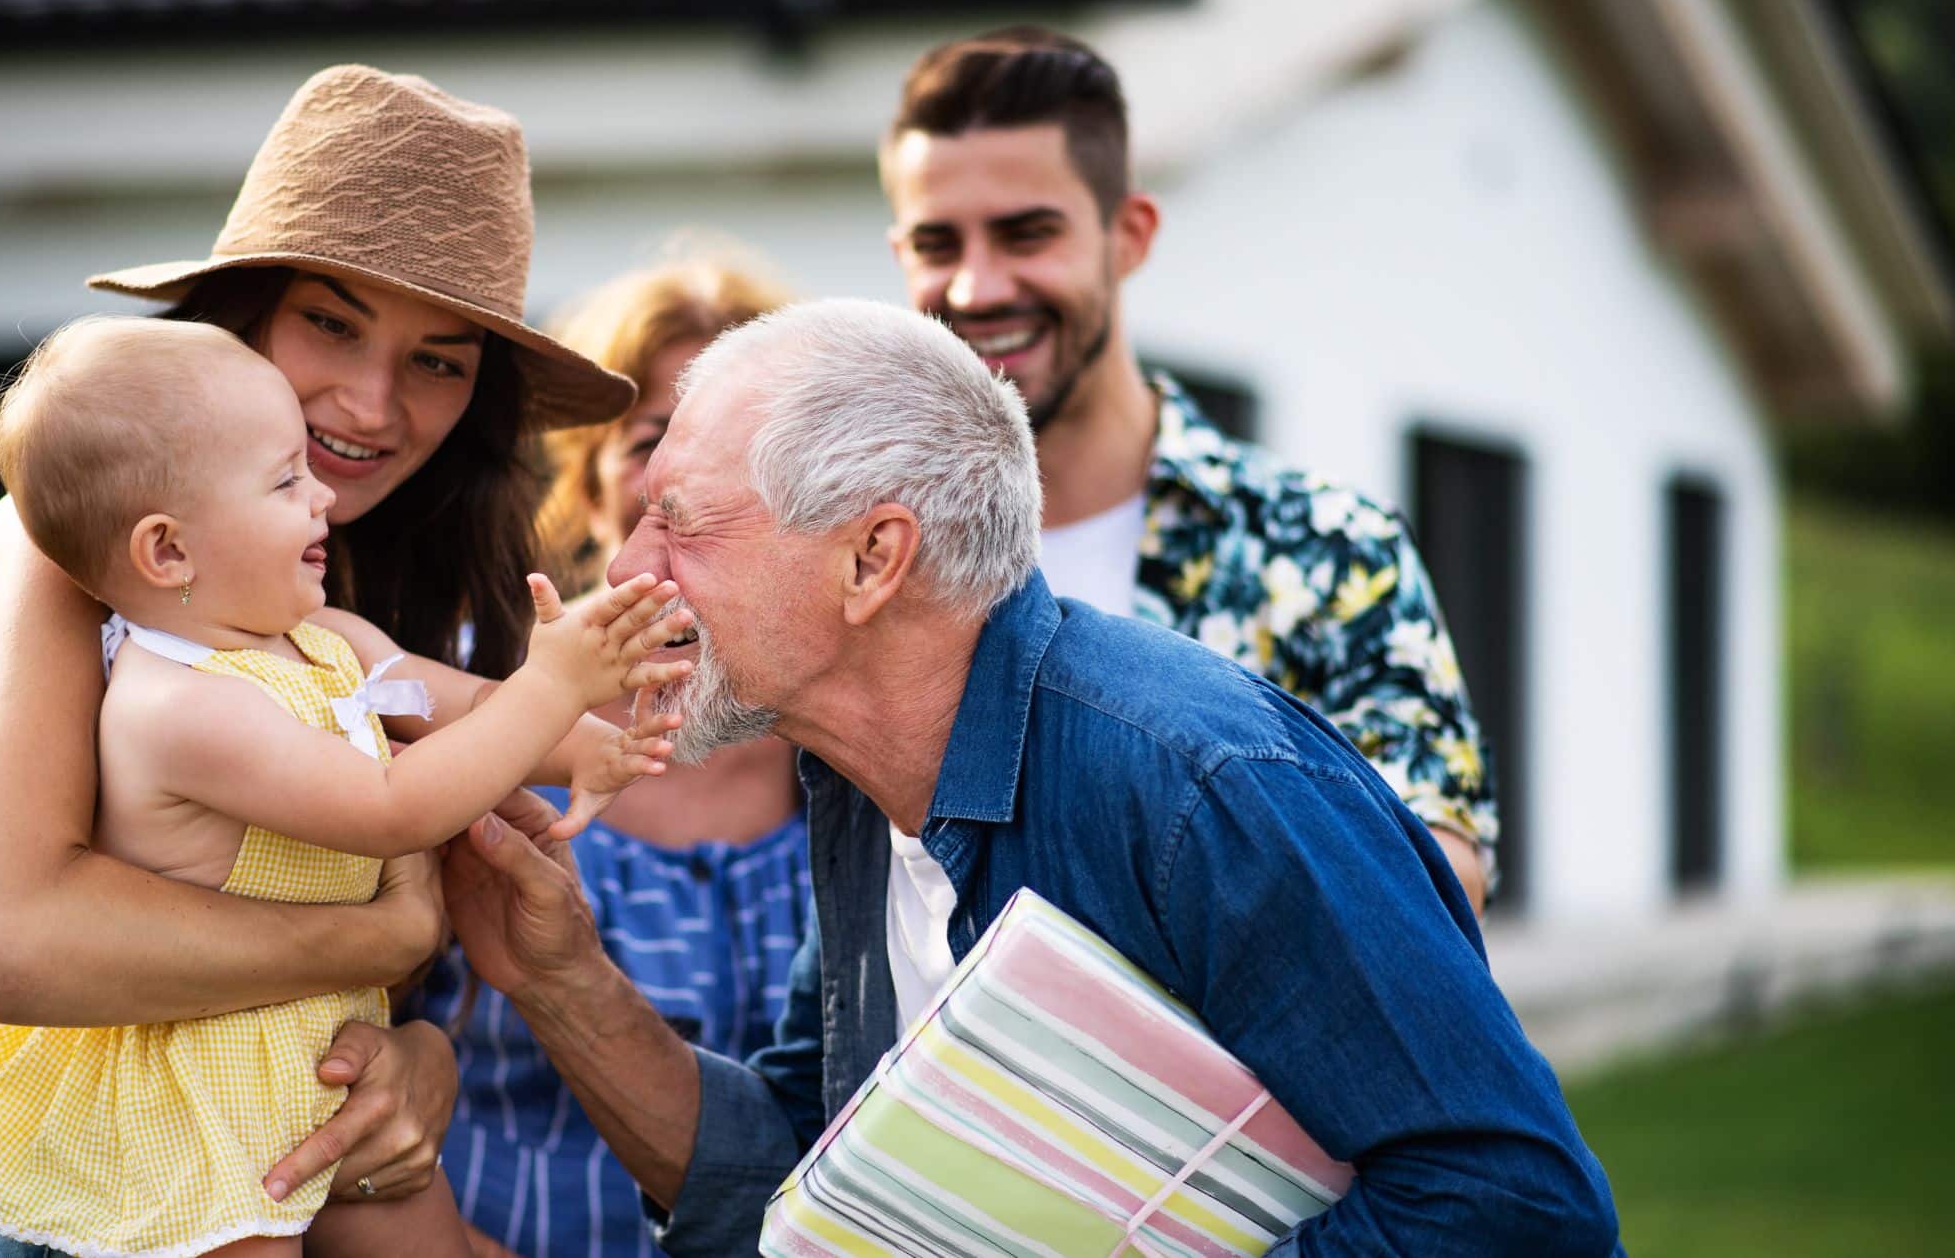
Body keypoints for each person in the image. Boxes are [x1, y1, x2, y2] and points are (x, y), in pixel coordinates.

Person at [441, 299, 1623, 1256]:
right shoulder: (854, 782)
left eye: (679, 526)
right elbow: (806, 1163)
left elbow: (1515, 1206)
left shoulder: (1194, 788)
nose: (626, 570)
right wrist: (559, 981)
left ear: (871, 559)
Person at [0, 66, 636, 1253]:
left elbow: (413, 952)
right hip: (78, 1201)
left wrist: (420, 1054)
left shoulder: (343, 576)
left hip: (287, 1152)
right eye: (329, 323)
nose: (369, 404)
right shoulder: (69, 554)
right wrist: (375, 940)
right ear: (239, 316)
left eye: (438, 361)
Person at [0, 316, 688, 1257]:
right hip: (197, 1078)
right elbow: (388, 809)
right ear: (166, 553)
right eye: (287, 480)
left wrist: (579, 740)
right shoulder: (175, 704)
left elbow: (452, 703)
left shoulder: (319, 634)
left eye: (436, 360)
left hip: (316, 1048)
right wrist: (551, 685)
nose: (323, 493)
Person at [880, 28, 1495, 909]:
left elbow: (1436, 885)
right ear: (903, 255)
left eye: (1026, 234)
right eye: (940, 245)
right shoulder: (866, 560)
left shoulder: (1327, 551)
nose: (977, 288)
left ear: (1129, 236)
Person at [409, 256, 809, 1258]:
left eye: (741, 446)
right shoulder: (467, 713)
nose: (688, 479)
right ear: (590, 487)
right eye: (649, 443)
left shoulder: (845, 757)